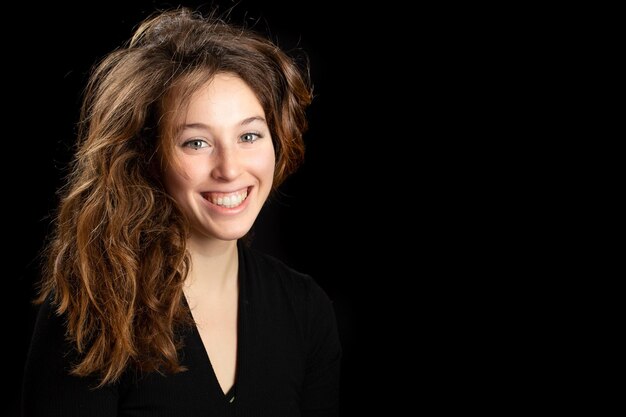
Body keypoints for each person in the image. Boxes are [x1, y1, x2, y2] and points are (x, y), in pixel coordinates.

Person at [22, 7, 341, 417]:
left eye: (248, 135)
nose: (229, 168)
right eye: (196, 142)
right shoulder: (95, 308)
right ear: (149, 157)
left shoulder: (304, 309)